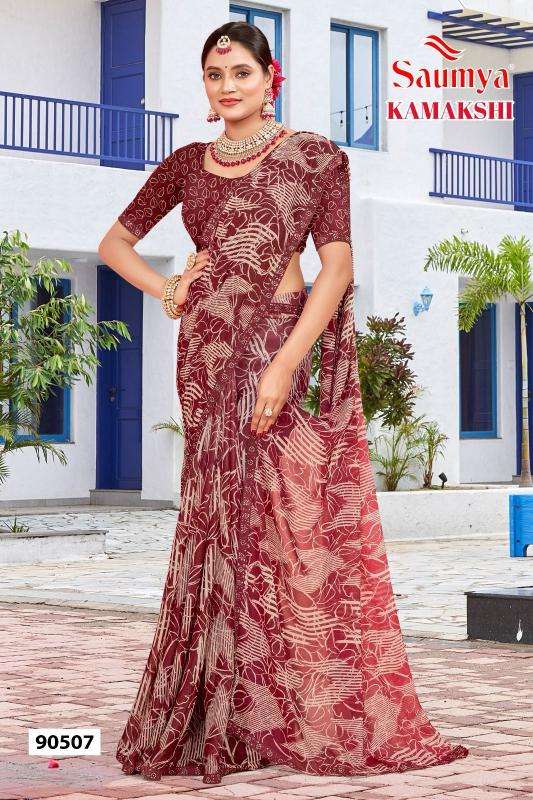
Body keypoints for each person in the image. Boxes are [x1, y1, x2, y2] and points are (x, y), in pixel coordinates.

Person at [98, 20, 469, 788]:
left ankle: (300, 711)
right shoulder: (185, 164)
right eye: (214, 75)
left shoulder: (315, 158)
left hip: (275, 342)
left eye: (240, 71)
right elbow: (113, 245)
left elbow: (335, 268)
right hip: (205, 354)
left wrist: (284, 365)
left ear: (271, 78)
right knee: (218, 524)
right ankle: (222, 716)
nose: (227, 86)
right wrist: (169, 288)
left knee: (288, 524)